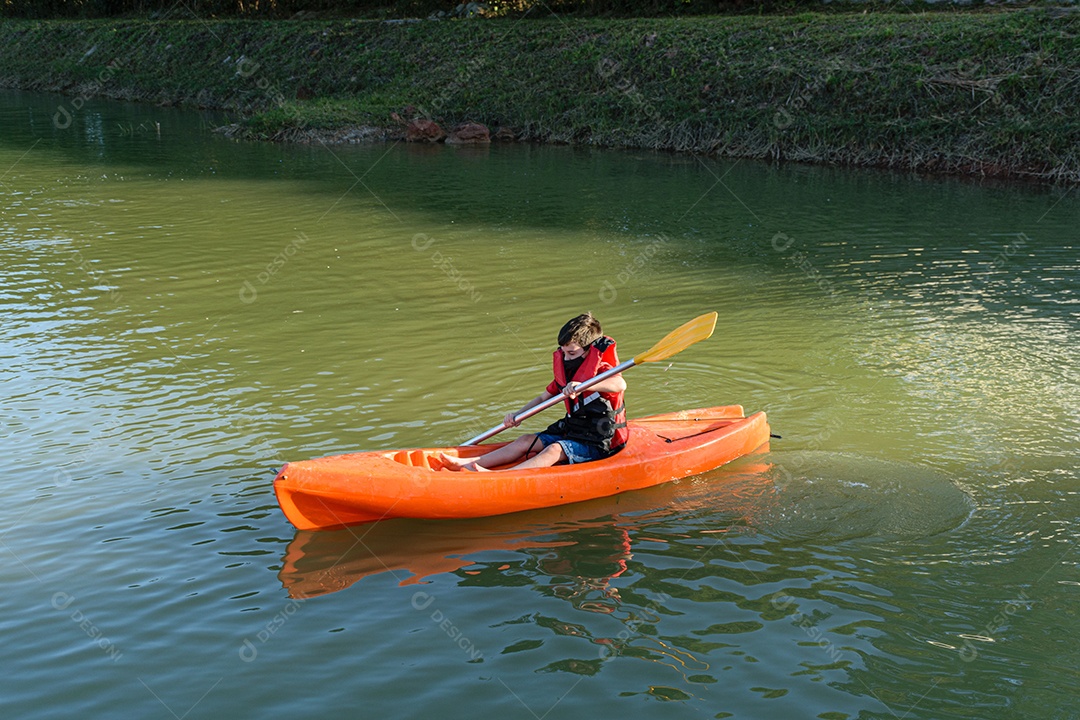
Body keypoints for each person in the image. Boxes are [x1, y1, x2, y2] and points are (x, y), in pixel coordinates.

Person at [440, 312, 629, 471]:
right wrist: (518, 415)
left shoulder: (603, 370)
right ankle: (466, 464)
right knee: (525, 440)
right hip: (574, 430)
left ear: (589, 350)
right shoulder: (569, 373)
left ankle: (504, 477)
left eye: (572, 353)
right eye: (563, 352)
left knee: (554, 450)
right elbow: (543, 397)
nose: (566, 358)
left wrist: (587, 385)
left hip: (599, 443)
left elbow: (620, 385)